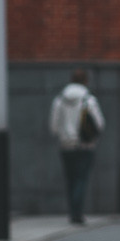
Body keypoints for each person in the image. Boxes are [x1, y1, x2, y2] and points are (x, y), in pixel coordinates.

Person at [48, 69, 105, 225]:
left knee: (71, 180)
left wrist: (64, 134)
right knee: (81, 179)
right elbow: (99, 124)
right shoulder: (88, 100)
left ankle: (72, 212)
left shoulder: (59, 100)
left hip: (66, 146)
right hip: (85, 145)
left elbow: (53, 126)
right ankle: (77, 214)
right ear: (85, 81)